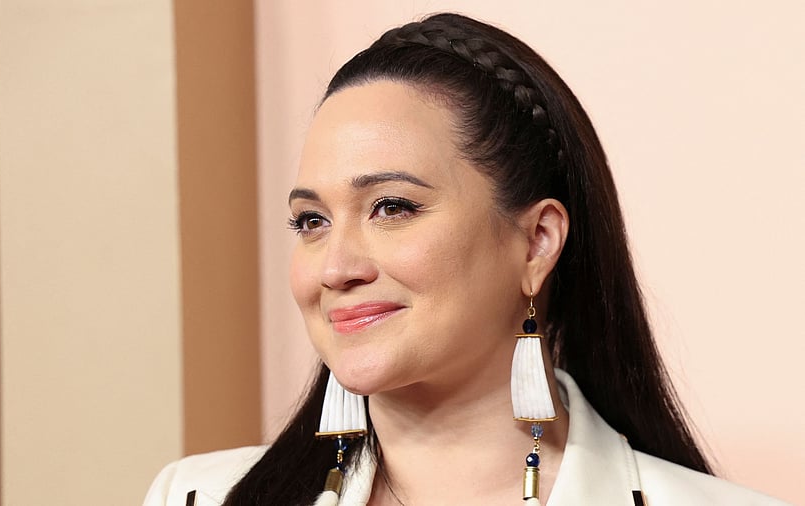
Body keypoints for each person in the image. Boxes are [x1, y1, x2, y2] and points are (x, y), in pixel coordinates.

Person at [144, 13, 788, 506]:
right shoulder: (196, 497)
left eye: (392, 207)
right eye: (310, 221)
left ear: (537, 242)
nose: (334, 267)